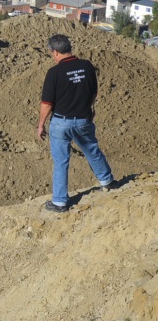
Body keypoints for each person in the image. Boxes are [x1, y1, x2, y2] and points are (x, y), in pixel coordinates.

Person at [37, 34, 115, 212]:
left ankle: (59, 202)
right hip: (83, 119)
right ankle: (107, 181)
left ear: (55, 52)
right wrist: (88, 108)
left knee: (61, 161)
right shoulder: (87, 66)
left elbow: (47, 103)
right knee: (92, 150)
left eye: (51, 53)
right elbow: (93, 93)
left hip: (61, 123)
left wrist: (41, 124)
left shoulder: (54, 73)